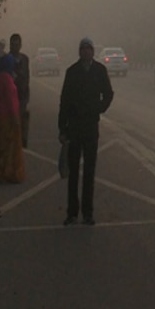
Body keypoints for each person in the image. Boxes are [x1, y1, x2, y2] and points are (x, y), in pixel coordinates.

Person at [58, 36, 113, 226]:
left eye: (89, 49)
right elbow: (64, 101)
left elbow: (108, 94)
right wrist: (62, 129)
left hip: (90, 127)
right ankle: (72, 212)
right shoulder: (72, 72)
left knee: (89, 172)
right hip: (74, 128)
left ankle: (88, 213)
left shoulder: (99, 70)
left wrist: (98, 108)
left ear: (92, 51)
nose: (86, 52)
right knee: (73, 172)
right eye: (84, 49)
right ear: (80, 51)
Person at [0, 52, 26, 184]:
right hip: (8, 117)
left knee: (1, 146)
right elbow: (12, 102)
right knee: (11, 146)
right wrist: (16, 121)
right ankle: (10, 172)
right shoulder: (8, 80)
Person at [8, 33, 31, 148]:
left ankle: (22, 140)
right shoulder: (6, 59)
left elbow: (27, 78)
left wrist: (26, 97)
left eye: (17, 44)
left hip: (21, 96)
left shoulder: (25, 59)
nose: (15, 46)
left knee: (22, 120)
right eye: (13, 44)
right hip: (9, 97)